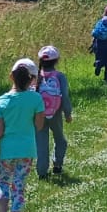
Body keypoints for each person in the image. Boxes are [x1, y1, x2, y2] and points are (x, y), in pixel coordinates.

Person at [0, 58, 46, 212]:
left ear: (11, 77)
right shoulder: (36, 99)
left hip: (7, 151)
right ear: (31, 79)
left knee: (3, 184)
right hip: (27, 151)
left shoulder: (1, 101)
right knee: (19, 189)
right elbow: (39, 126)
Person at [34, 46, 72, 178]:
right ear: (57, 60)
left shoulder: (36, 76)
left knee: (41, 143)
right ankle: (57, 164)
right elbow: (65, 97)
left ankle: (42, 171)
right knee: (60, 139)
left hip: (38, 115)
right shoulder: (60, 76)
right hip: (55, 113)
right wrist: (68, 113)